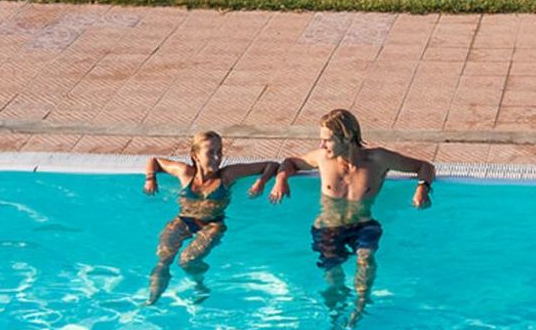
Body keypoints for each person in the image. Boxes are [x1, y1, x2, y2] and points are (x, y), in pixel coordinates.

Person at [268, 109, 433, 314]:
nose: (322, 145)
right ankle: (337, 310)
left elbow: (424, 166)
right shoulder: (322, 158)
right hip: (327, 227)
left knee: (366, 257)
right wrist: (281, 180)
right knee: (333, 279)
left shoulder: (378, 159)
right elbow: (289, 162)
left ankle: (362, 302)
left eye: (327, 140)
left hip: (363, 225)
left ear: (346, 137)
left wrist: (422, 188)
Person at [142, 130, 277, 304]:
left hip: (213, 224)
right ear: (195, 156)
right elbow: (154, 161)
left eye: (219, 152)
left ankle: (200, 284)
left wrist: (261, 182)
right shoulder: (185, 173)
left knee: (187, 261)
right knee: (163, 260)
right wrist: (150, 178)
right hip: (184, 220)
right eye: (210, 153)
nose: (217, 157)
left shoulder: (227, 175)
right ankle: (152, 300)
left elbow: (271, 165)